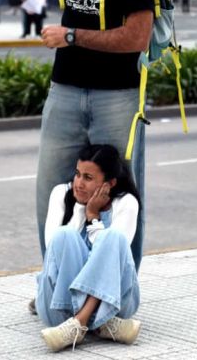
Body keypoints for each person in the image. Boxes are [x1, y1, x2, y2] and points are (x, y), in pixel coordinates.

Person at [38, 0, 154, 275]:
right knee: (54, 194)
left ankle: (118, 289)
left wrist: (70, 35)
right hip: (65, 91)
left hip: (116, 97)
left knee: (119, 197)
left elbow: (138, 37)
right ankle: (55, 281)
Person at [36, 144, 142, 352]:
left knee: (113, 238)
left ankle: (79, 323)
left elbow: (110, 259)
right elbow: (53, 250)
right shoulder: (61, 194)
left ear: (110, 183)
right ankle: (102, 323)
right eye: (77, 174)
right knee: (63, 235)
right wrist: (82, 209)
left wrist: (94, 218)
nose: (78, 183)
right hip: (60, 307)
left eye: (88, 178)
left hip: (117, 305)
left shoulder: (126, 203)